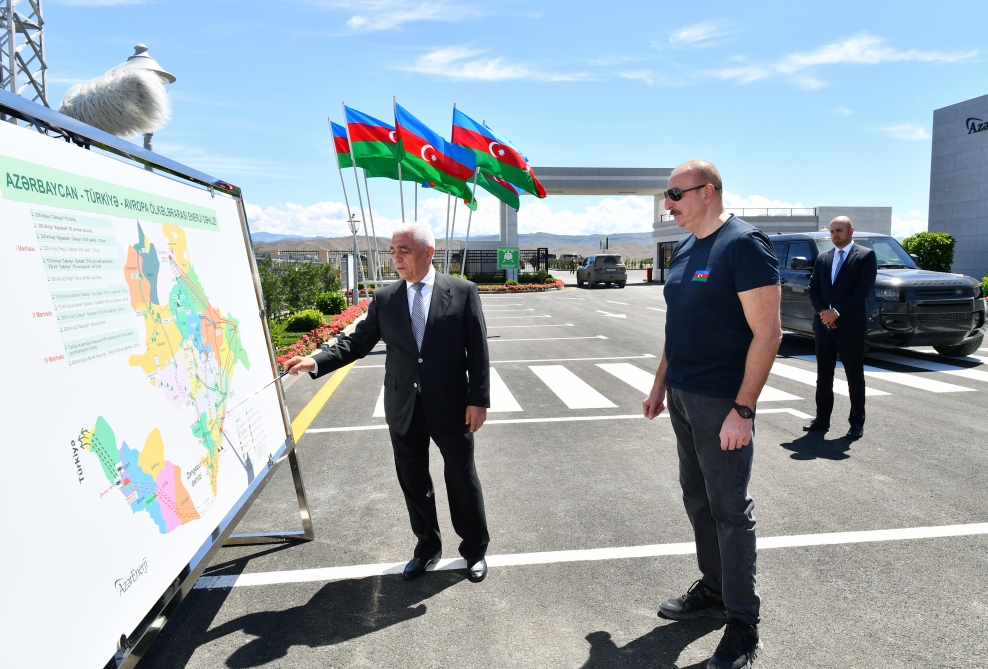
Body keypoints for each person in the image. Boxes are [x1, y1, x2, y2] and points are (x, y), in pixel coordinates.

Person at [282, 222, 492, 582]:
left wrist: (478, 400)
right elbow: (356, 343)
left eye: (404, 250)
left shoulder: (462, 291)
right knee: (413, 481)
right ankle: (427, 547)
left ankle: (474, 549)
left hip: (452, 406)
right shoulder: (385, 299)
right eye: (393, 250)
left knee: (461, 477)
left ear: (429, 252)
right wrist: (314, 362)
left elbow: (478, 350)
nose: (396, 257)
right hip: (403, 406)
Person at [643, 160, 781, 669]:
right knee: (697, 498)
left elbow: (769, 333)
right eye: (667, 195)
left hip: (722, 400)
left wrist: (743, 409)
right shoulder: (685, 248)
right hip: (682, 394)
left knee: (729, 509)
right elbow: (677, 326)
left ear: (708, 192)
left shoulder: (744, 244)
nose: (668, 203)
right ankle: (716, 589)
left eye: (675, 193)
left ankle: (743, 622)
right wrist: (659, 384)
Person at [805, 216, 877, 440]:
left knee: (854, 376)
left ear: (850, 231)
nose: (835, 235)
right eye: (832, 231)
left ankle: (856, 423)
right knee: (823, 376)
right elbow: (813, 288)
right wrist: (823, 313)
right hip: (824, 326)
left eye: (839, 231)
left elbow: (863, 289)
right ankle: (822, 419)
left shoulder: (865, 255)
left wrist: (836, 312)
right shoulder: (823, 257)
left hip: (850, 326)